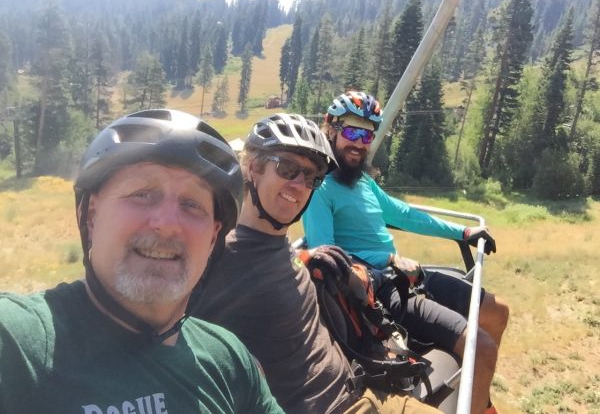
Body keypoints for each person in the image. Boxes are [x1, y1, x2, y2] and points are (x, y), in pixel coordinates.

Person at [0, 109, 283, 414]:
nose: (167, 224)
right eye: (142, 194)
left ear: (213, 238)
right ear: (92, 215)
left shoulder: (229, 363)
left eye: (192, 204)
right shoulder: (20, 342)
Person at [191, 113, 441, 414]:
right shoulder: (214, 254)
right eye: (287, 169)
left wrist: (304, 257)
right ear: (252, 167)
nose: (299, 185)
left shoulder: (281, 246)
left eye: (312, 178)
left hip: (362, 390)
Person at [302, 91, 510, 414]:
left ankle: (478, 397)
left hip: (406, 276)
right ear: (330, 127)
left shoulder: (362, 184)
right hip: (382, 293)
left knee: (498, 311)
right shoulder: (321, 190)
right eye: (352, 131)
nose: (359, 143)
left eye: (367, 134)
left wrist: (463, 232)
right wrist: (385, 260)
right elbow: (327, 260)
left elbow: (406, 214)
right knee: (481, 347)